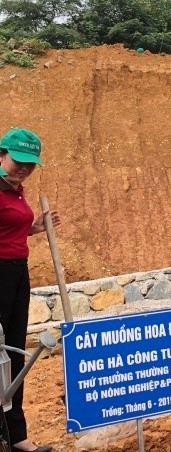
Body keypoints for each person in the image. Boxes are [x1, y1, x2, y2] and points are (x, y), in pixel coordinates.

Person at [0, 128, 58, 452]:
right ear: (1, 155)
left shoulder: (16, 189)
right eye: (18, 161)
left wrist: (32, 228)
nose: (23, 168)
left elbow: (9, 230)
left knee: (14, 351)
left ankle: (16, 434)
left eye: (30, 164)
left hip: (18, 273)